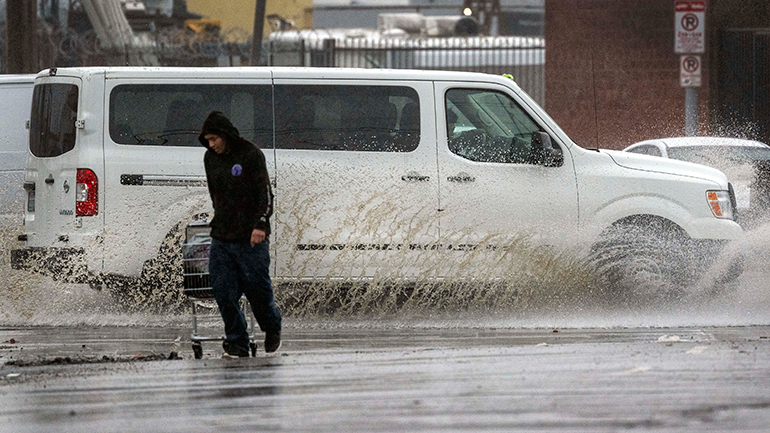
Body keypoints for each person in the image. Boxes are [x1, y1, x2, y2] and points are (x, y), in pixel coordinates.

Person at [199, 111, 282, 357]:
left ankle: (272, 325)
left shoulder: (250, 154)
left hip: (251, 239)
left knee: (258, 292)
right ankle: (237, 341)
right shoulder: (209, 158)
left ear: (225, 135)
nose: (211, 145)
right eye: (207, 140)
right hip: (222, 237)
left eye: (214, 139)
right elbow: (215, 195)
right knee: (223, 292)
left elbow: (265, 195)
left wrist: (260, 225)